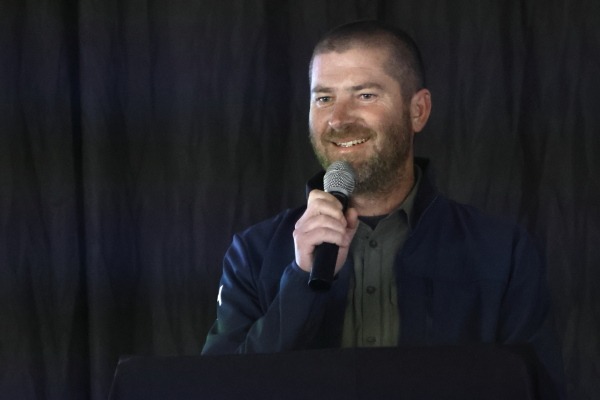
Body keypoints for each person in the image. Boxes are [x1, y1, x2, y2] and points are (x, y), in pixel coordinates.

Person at [202, 20, 565, 397]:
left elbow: (536, 389)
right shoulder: (253, 254)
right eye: (324, 98)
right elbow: (217, 388)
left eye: (364, 95)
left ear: (418, 110)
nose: (338, 119)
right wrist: (300, 282)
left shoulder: (502, 253)